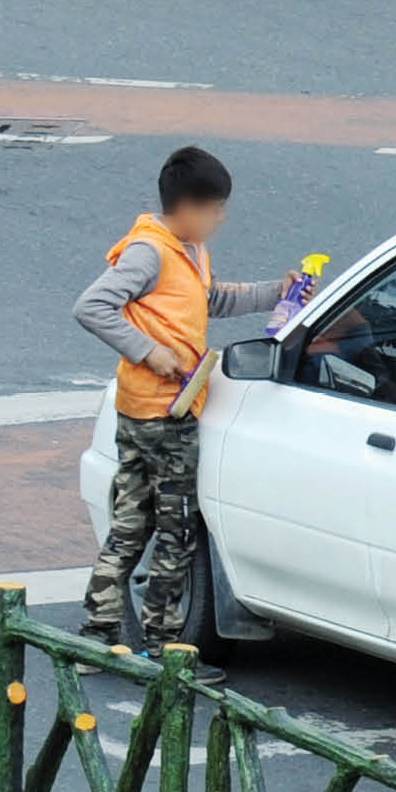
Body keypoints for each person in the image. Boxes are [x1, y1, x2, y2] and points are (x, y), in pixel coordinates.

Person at [73, 147, 289, 650]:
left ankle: (96, 635)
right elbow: (92, 306)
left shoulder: (187, 250)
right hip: (162, 412)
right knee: (176, 529)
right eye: (216, 210)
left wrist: (278, 291)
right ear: (189, 208)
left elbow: (211, 298)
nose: (221, 219)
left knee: (131, 523)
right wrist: (150, 352)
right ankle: (164, 642)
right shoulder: (150, 251)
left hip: (148, 408)